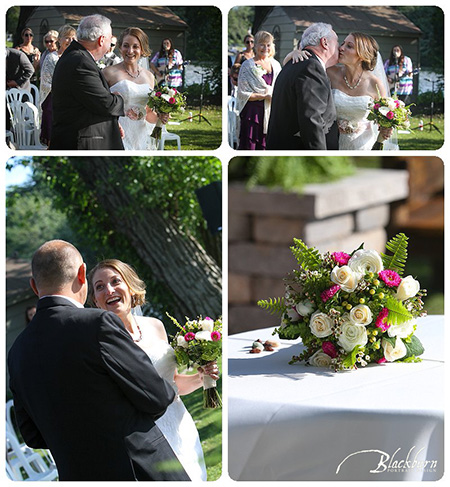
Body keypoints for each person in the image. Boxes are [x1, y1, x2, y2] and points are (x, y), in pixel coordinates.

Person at [8, 240, 190, 481]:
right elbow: (156, 396)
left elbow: (32, 435)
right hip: (139, 469)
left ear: (34, 286)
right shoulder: (97, 323)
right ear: (82, 274)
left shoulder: (17, 352)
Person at [88, 260, 219, 481]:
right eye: (99, 287)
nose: (109, 290)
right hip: (149, 439)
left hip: (181, 426)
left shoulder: (155, 325)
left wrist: (201, 377)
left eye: (115, 281)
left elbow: (173, 383)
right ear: (95, 300)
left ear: (129, 286)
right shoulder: (101, 345)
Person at [282, 30, 394, 150]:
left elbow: (384, 116)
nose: (341, 48)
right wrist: (292, 55)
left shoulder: (375, 84)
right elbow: (298, 71)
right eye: (343, 43)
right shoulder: (329, 72)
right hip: (330, 143)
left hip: (363, 145)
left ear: (362, 55)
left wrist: (386, 128)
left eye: (349, 46)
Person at [49, 14, 125, 150]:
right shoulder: (80, 62)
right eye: (110, 39)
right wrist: (118, 98)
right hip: (82, 144)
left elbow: (88, 101)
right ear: (101, 40)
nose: (110, 45)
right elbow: (106, 104)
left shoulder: (76, 56)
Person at [266, 23, 340, 150]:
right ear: (325, 42)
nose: (340, 47)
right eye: (337, 42)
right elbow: (312, 120)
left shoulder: (294, 64)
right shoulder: (311, 67)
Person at [102, 27, 169, 150]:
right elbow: (100, 107)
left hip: (140, 136)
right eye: (126, 46)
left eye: (135, 46)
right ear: (120, 47)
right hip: (116, 133)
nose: (130, 51)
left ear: (142, 49)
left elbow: (148, 113)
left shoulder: (149, 76)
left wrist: (160, 116)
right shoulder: (108, 73)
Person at [236, 31, 281, 150]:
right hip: (252, 113)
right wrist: (264, 96)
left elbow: (280, 88)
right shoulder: (247, 66)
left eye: (268, 44)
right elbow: (242, 93)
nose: (265, 48)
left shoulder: (276, 65)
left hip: (271, 112)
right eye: (262, 44)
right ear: (255, 45)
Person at [39, 25, 77, 146]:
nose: (70, 41)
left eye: (72, 38)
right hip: (53, 101)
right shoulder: (52, 58)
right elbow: (45, 81)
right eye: (66, 37)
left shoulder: (76, 57)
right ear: (59, 40)